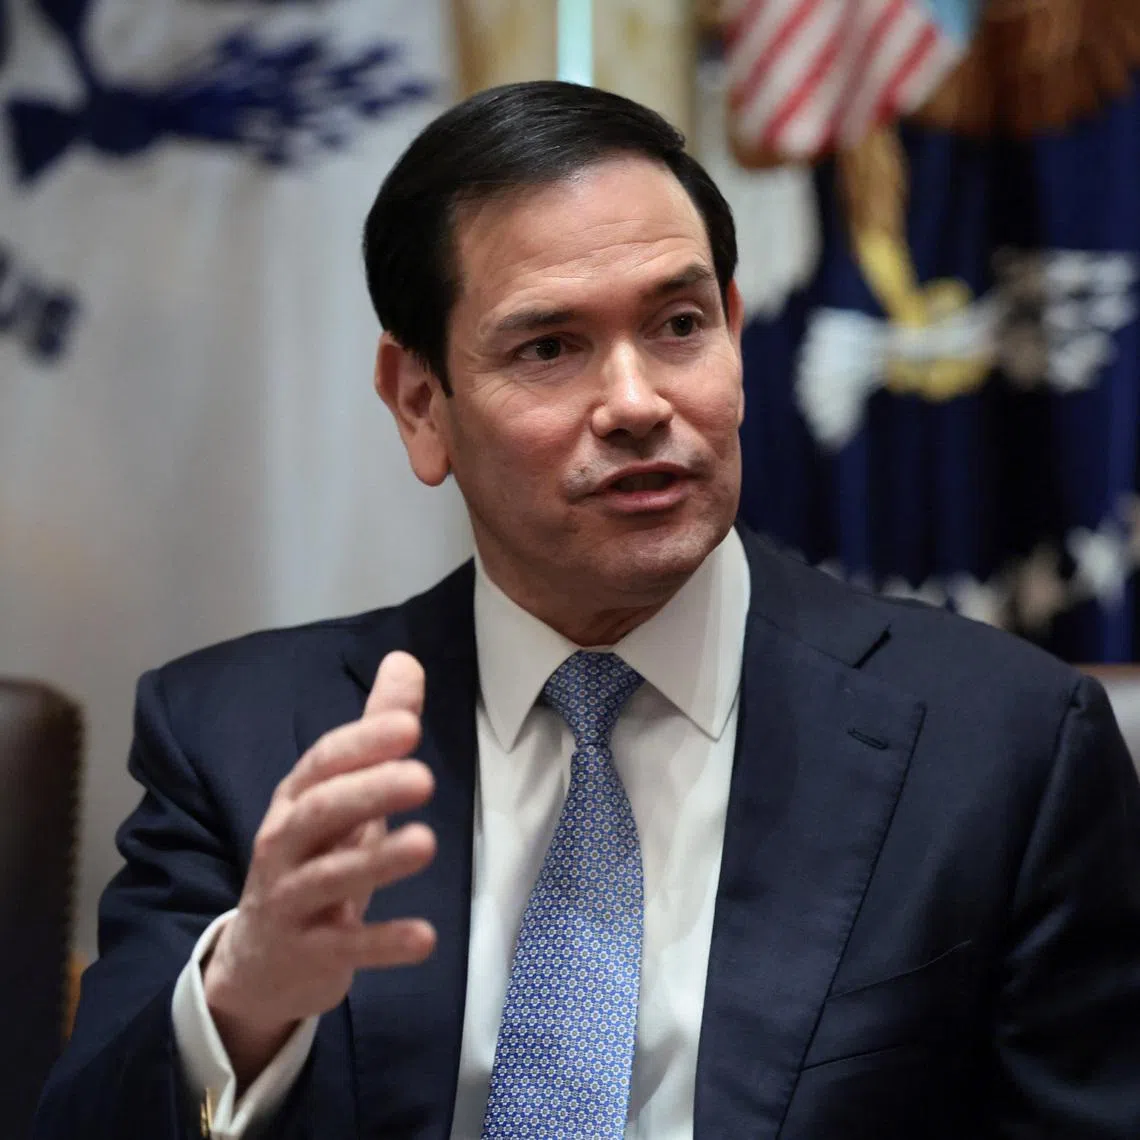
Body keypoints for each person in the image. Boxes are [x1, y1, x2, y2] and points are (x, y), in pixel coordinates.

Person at [34, 81, 1140, 1140]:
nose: (636, 403)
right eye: (549, 348)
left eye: (678, 324)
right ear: (420, 402)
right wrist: (244, 1000)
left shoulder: (1002, 751)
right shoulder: (240, 743)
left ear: (736, 335)